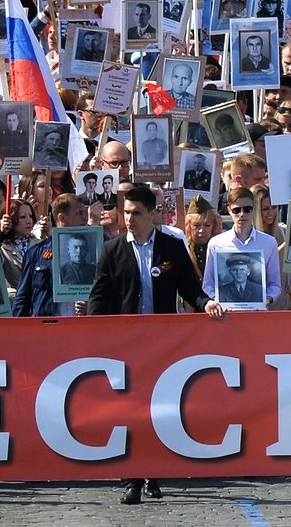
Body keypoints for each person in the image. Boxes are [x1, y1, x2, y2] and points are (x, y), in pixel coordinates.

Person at [87, 185, 224, 504]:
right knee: (128, 410)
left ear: (152, 215)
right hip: (126, 343)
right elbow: (100, 294)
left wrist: (206, 304)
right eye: (126, 212)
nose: (129, 218)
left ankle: (153, 473)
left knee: (159, 409)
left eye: (136, 213)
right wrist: (91, 331)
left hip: (162, 344)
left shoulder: (171, 248)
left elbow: (191, 288)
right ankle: (130, 479)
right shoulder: (113, 250)